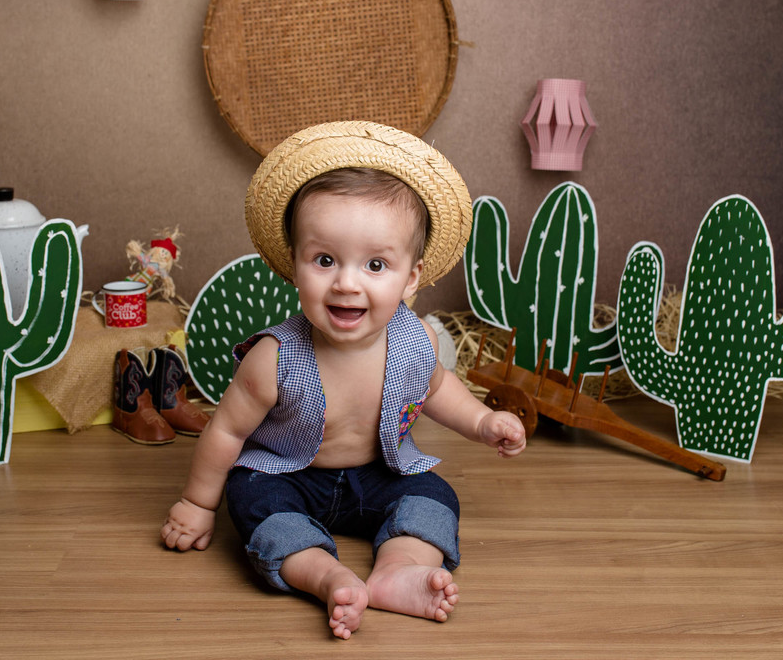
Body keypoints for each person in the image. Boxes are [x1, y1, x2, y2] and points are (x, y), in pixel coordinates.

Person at [161, 122, 526, 639]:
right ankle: (324, 575)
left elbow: (438, 388)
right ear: (294, 265)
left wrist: (483, 421)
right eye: (325, 260)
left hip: (379, 473)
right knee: (253, 501)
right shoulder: (274, 358)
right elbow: (226, 431)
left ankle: (398, 568)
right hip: (289, 475)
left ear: (411, 277)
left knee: (433, 496)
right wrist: (197, 504)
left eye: (376, 264)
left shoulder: (415, 339)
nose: (347, 283)